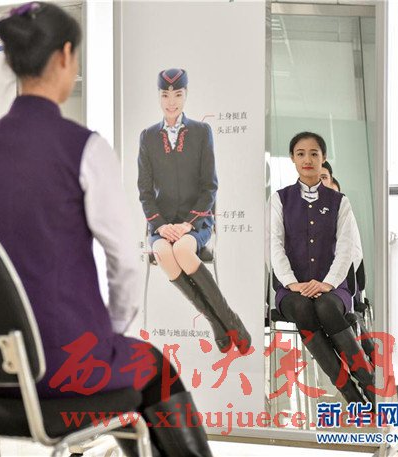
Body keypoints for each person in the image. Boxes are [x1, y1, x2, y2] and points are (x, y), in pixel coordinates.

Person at [0, 4, 212, 456]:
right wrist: (105, 337)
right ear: (65, 56)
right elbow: (124, 265)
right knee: (153, 367)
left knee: (128, 375)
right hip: (65, 361)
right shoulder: (84, 149)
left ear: (10, 60)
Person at [137, 68, 251, 354]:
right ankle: (217, 321)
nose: (171, 102)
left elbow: (209, 186)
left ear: (186, 95)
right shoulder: (148, 137)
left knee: (183, 250)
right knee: (164, 253)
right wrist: (161, 225)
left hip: (196, 222)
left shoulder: (201, 132)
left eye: (177, 95)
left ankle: (230, 321)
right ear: (159, 96)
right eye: (165, 95)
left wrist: (188, 224)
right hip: (162, 225)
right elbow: (145, 192)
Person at [270, 131, 374, 406]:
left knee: (327, 307)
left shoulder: (340, 201)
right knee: (303, 307)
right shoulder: (279, 199)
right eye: (301, 153)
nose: (307, 159)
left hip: (334, 288)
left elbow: (346, 249)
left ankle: (369, 386)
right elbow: (274, 245)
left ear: (323, 158)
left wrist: (328, 283)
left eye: (314, 153)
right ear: (292, 158)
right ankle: (352, 394)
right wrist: (292, 283)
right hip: (291, 290)